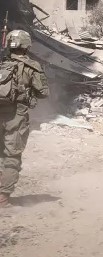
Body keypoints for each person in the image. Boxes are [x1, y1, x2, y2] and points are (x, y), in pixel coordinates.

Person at [0, 30, 49, 208]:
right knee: (12, 156)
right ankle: (3, 198)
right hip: (16, 116)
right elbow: (43, 93)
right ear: (27, 46)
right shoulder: (31, 66)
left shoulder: (2, 63)